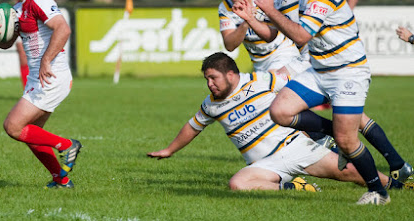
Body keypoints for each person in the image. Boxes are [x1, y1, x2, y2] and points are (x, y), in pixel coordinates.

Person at [235, 0, 413, 182]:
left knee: (270, 90)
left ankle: (314, 148)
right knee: (355, 119)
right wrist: (250, 18)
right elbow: (273, 33)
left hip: (318, 61)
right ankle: (397, 164)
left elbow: (301, 30)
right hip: (314, 63)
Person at [254, 0, 390, 205]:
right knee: (280, 111)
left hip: (347, 72)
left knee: (349, 142)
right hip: (320, 70)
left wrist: (271, 11)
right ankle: (338, 134)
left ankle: (379, 192)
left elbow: (302, 35)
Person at [147, 53, 409, 193]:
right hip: (265, 165)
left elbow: (299, 91)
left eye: (213, 78)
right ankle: (290, 187)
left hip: (296, 147)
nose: (209, 84)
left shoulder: (263, 81)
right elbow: (193, 126)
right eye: (206, 79)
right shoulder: (211, 103)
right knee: (238, 184)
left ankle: (398, 186)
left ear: (230, 74)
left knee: (355, 172)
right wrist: (169, 150)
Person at [0, 0, 81, 189]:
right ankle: (62, 179)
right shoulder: (18, 10)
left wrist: (46, 60)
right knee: (32, 135)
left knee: (13, 127)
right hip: (39, 79)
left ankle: (67, 145)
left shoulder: (39, 0)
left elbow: (63, 28)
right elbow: (6, 45)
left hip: (50, 76)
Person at [4, 0, 73, 89]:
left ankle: (47, 84)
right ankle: (28, 89)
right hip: (22, 15)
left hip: (40, 18)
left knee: (42, 53)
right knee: (22, 54)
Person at [219, 0, 300, 72]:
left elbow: (270, 36)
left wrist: (250, 19)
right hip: (258, 62)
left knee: (273, 83)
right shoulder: (225, 7)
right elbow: (230, 45)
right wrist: (246, 21)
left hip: (281, 52)